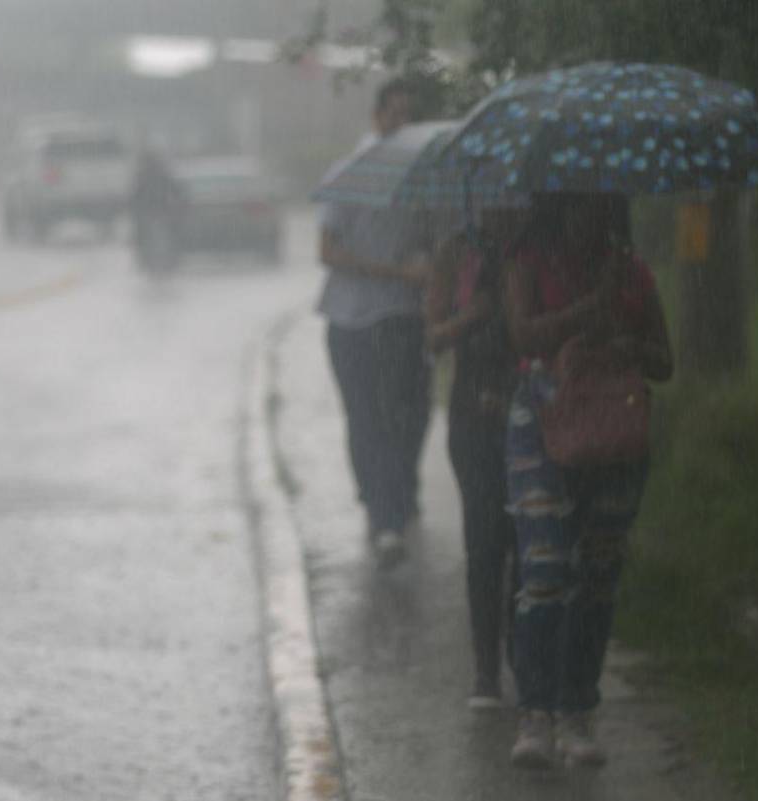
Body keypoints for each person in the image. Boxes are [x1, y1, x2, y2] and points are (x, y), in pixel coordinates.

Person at [501, 193, 673, 769]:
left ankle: (577, 711)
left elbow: (663, 360)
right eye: (575, 205)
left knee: (598, 572)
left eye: (597, 206)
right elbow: (522, 337)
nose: (587, 218)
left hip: (614, 429)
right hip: (544, 423)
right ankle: (535, 714)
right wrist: (584, 313)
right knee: (546, 568)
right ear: (553, 206)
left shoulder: (632, 270)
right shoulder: (528, 261)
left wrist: (622, 339)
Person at [317, 78, 432, 566]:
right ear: (376, 116)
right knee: (369, 418)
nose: (399, 125)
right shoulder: (349, 175)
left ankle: (396, 493)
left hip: (405, 317)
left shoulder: (427, 180)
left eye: (408, 117)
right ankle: (384, 513)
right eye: (393, 115)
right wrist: (393, 271)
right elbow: (326, 250)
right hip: (353, 318)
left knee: (411, 413)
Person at [424, 208, 525, 709]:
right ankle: (486, 670)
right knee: (484, 543)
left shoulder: (537, 250)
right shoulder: (456, 253)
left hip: (534, 415)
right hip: (473, 419)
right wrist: (475, 313)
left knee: (528, 542)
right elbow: (433, 336)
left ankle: (523, 658)